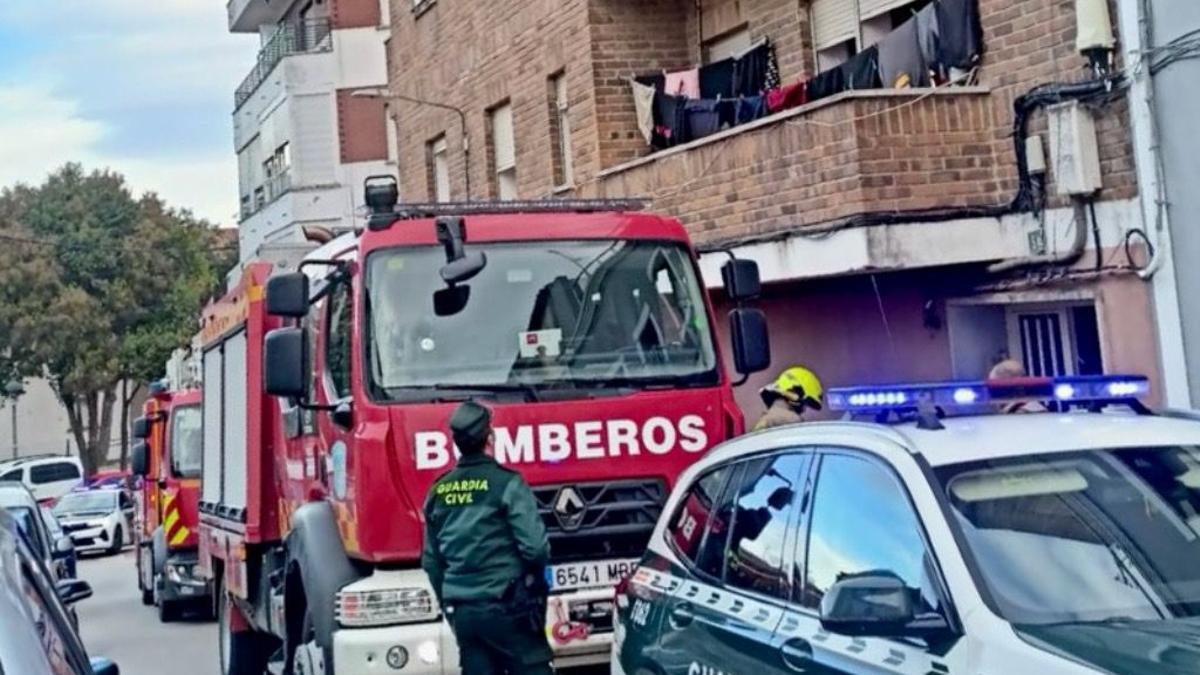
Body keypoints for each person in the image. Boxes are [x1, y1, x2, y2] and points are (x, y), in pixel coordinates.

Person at [421, 401, 554, 675]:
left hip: (465, 614)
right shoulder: (507, 483)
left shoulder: (439, 490)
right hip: (508, 609)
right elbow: (536, 549)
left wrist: (451, 605)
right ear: (490, 438)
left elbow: (432, 562)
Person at [753, 366, 824, 431]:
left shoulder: (769, 417)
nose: (804, 410)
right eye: (804, 404)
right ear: (796, 392)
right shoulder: (791, 420)